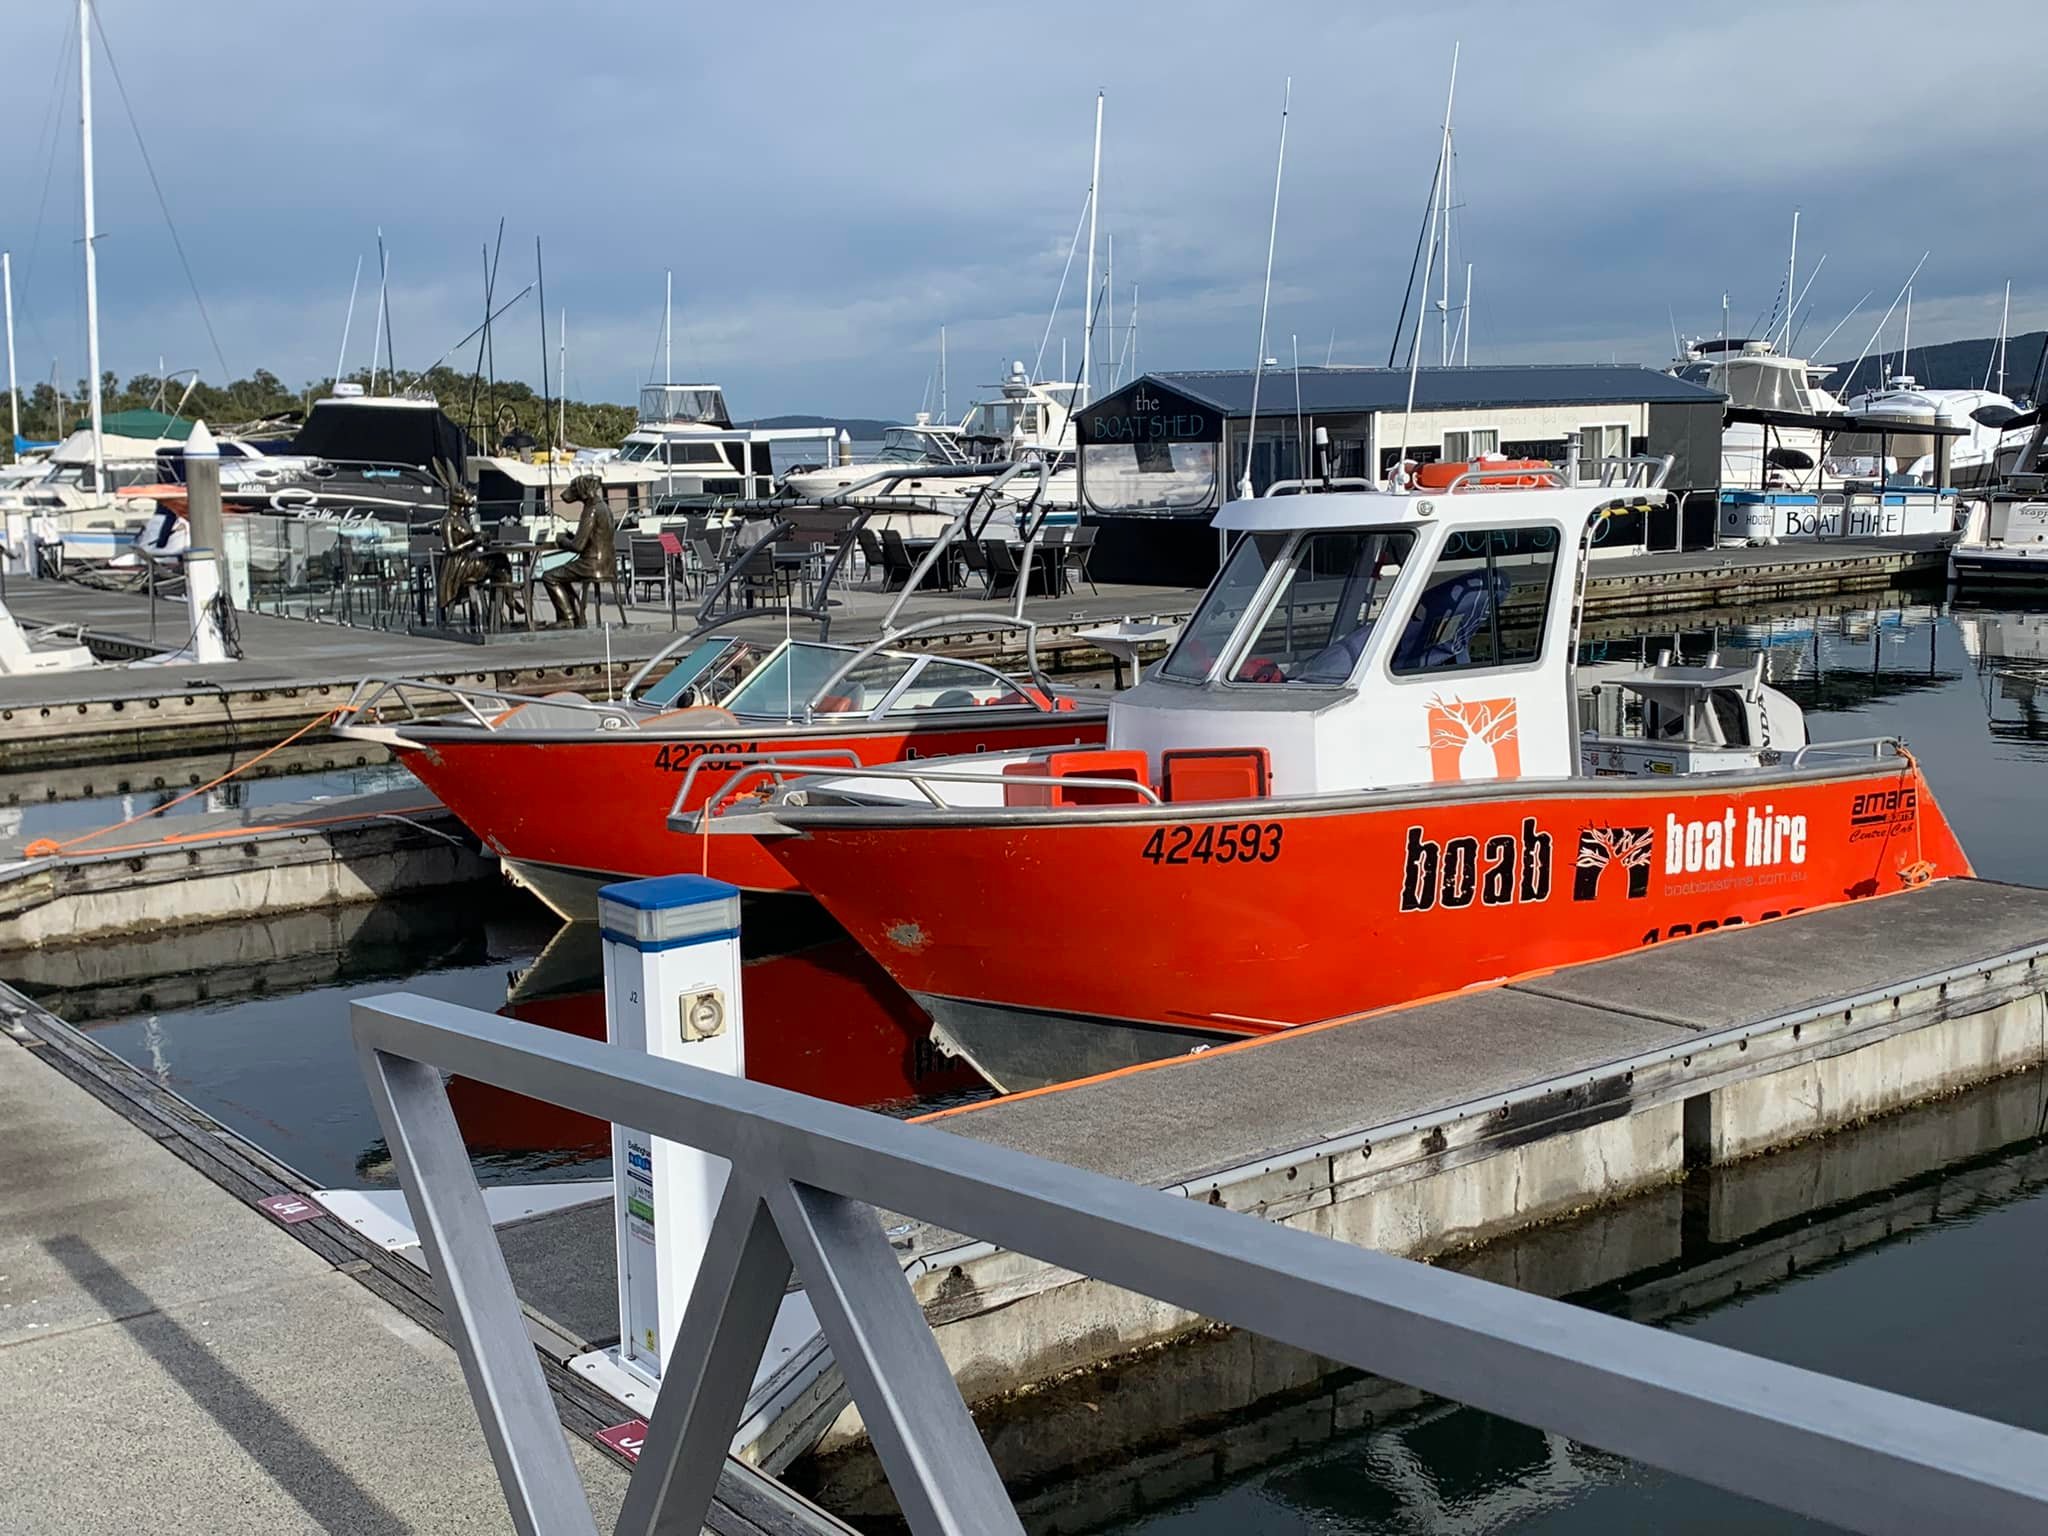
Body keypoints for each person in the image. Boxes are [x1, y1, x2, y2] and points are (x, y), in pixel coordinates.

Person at [541, 474, 616, 626]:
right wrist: (573, 537)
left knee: (549, 576)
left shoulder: (590, 510)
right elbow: (592, 538)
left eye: (573, 488)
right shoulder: (604, 507)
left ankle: (567, 618)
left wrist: (562, 540)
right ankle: (574, 615)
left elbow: (577, 546)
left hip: (591, 564)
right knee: (561, 575)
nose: (568, 493)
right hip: (608, 565)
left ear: (583, 490)